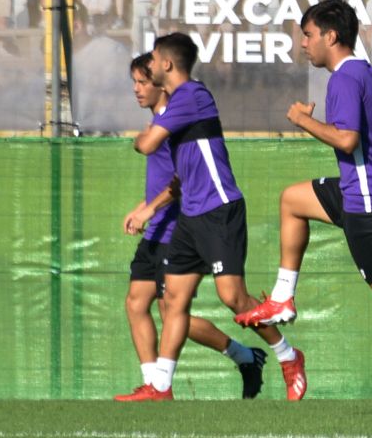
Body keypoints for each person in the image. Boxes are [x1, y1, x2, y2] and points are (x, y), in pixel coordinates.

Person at [232, 0, 372, 420]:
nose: (303, 44)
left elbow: (348, 140)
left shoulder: (344, 80)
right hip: (364, 192)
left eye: (308, 35)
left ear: (330, 37)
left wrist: (303, 120)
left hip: (370, 206)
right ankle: (282, 298)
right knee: (293, 200)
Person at [131, 33, 308, 401]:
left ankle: (289, 356)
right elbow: (182, 169)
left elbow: (146, 144)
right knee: (173, 302)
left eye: (151, 61)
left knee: (234, 299)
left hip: (219, 210)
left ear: (166, 64)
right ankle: (160, 387)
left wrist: (141, 136)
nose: (147, 69)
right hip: (191, 217)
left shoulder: (191, 96)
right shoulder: (176, 104)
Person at [115, 54, 268, 402]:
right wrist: (143, 209)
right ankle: (152, 383)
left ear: (161, 83)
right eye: (135, 83)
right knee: (136, 302)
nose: (138, 89)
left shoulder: (175, 124)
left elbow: (181, 181)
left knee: (174, 310)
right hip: (155, 228)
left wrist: (149, 210)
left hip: (178, 227)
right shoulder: (159, 123)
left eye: (144, 81)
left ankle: (246, 356)